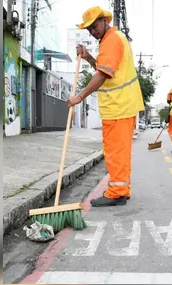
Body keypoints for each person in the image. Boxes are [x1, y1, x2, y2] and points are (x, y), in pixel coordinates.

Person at [67, 6, 144, 207]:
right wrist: (87, 57)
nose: (92, 32)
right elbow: (104, 68)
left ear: (104, 20)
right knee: (121, 152)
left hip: (118, 107)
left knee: (114, 152)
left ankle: (116, 193)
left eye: (94, 26)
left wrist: (80, 97)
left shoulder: (111, 41)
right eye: (89, 29)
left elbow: (102, 75)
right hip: (122, 106)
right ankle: (121, 189)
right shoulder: (112, 40)